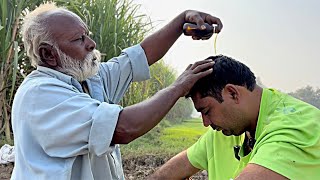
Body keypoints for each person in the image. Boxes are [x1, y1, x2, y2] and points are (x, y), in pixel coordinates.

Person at [11, 2, 223, 180]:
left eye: (88, 35)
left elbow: (139, 57)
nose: (91, 44)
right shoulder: (39, 95)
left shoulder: (89, 78)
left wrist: (182, 20)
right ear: (48, 54)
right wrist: (178, 87)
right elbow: (124, 128)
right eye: (78, 39)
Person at [149, 55, 320, 180]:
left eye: (207, 111)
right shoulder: (227, 131)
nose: (206, 123)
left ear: (232, 93)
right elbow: (165, 175)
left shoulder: (297, 126)